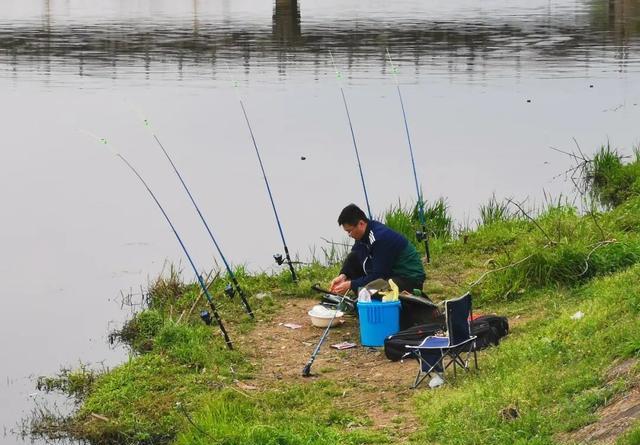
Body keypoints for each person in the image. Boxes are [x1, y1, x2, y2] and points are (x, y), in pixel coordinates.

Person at [330, 203, 426, 295]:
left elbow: (378, 277)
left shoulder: (379, 238)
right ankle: (361, 292)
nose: (349, 235)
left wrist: (351, 284)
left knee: (373, 290)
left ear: (361, 223)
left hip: (409, 278)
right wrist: (343, 276)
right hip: (390, 274)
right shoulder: (362, 235)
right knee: (353, 257)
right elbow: (354, 256)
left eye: (350, 231)